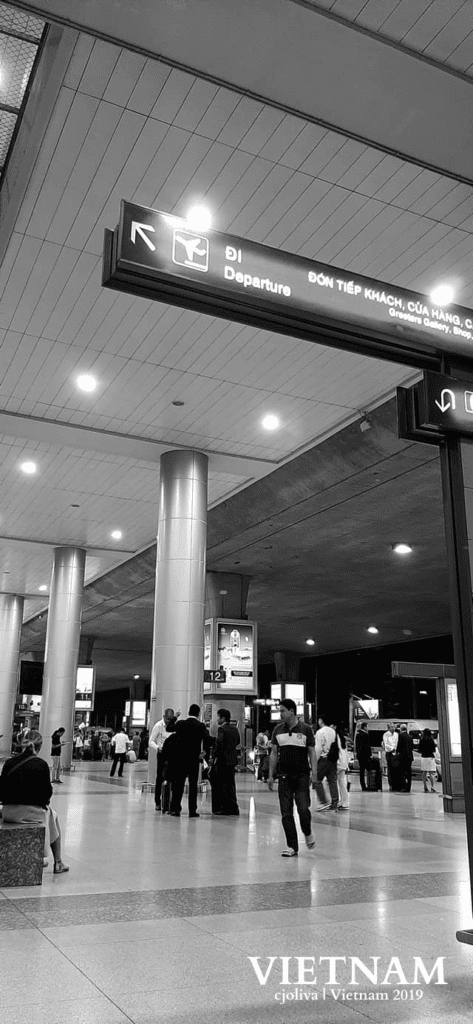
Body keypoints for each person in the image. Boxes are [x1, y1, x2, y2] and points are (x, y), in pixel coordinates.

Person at [0, 730, 69, 873]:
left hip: (8, 812)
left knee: (49, 814)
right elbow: (47, 793)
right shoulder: (41, 764)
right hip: (31, 813)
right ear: (40, 746)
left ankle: (36, 856)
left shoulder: (9, 762)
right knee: (53, 815)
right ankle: (58, 862)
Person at [268, 698, 316, 857]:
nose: (280, 713)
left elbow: (312, 753)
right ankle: (292, 846)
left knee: (303, 809)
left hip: (302, 775)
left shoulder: (306, 729)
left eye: (282, 710)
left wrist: (314, 774)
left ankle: (307, 831)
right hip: (284, 777)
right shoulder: (277, 730)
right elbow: (274, 753)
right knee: (286, 813)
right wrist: (270, 775)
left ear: (292, 711)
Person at [169, 704, 210, 817]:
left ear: (188, 712)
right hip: (194, 759)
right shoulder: (201, 726)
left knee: (179, 784)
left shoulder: (181, 723)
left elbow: (168, 727)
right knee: (193, 785)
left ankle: (175, 808)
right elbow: (207, 739)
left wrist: (175, 716)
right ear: (198, 713)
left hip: (181, 758)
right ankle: (192, 810)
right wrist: (205, 751)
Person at [149, 708, 179, 810]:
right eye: (167, 719)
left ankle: (170, 802)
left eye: (171, 719)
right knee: (160, 777)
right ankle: (158, 801)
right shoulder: (158, 726)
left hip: (172, 754)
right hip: (162, 753)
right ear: (164, 717)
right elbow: (151, 741)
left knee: (172, 777)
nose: (169, 721)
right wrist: (158, 748)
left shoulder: (173, 726)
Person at [212, 709, 240, 816]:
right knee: (231, 784)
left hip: (222, 760)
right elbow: (238, 741)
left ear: (223, 718)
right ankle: (234, 808)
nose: (217, 719)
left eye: (218, 717)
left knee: (222, 784)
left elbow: (219, 744)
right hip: (232, 760)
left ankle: (224, 808)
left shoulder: (221, 729)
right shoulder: (234, 729)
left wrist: (214, 756)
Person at [313, 714, 339, 811]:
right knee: (332, 781)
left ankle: (323, 802)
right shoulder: (333, 731)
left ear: (321, 720)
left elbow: (318, 748)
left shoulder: (320, 732)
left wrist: (314, 760)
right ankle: (334, 803)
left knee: (316, 780)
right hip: (333, 759)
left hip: (324, 759)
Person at [334, 722, 349, 810]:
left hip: (338, 763)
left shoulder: (335, 737)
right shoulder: (343, 738)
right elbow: (345, 752)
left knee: (335, 782)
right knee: (342, 783)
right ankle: (344, 802)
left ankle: (339, 801)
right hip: (343, 763)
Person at [418, 728, 437, 793]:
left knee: (424, 773)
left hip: (424, 757)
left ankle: (425, 786)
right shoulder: (431, 740)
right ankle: (432, 786)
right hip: (430, 757)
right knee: (431, 773)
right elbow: (434, 749)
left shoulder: (421, 739)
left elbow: (419, 749)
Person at [397, 724, 414, 793]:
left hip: (403, 757)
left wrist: (397, 752)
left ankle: (403, 787)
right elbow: (412, 747)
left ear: (401, 729)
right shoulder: (410, 736)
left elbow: (399, 745)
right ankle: (408, 787)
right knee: (409, 773)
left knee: (402, 772)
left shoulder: (401, 735)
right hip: (409, 757)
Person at [382, 722, 399, 791]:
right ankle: (391, 784)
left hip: (396, 753)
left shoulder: (396, 734)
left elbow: (397, 743)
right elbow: (386, 744)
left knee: (396, 769)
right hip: (389, 753)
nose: (393, 728)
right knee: (390, 769)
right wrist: (392, 749)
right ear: (388, 728)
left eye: (394, 727)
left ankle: (396, 784)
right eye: (392, 727)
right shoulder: (386, 735)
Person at [355, 722, 371, 791]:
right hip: (365, 756)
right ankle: (370, 784)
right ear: (364, 727)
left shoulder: (357, 734)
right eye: (367, 726)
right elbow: (367, 746)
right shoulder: (365, 735)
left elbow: (357, 746)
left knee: (361, 771)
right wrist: (370, 755)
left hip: (360, 755)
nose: (368, 728)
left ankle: (363, 786)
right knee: (369, 770)